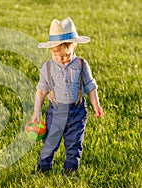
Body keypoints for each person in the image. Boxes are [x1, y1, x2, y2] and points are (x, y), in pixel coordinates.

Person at [32, 17, 104, 175]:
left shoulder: (82, 65)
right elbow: (41, 91)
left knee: (74, 143)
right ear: (51, 50)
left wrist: (96, 105)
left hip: (77, 112)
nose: (61, 59)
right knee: (50, 141)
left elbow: (91, 86)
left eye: (65, 55)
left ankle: (70, 170)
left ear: (75, 46)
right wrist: (36, 112)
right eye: (56, 55)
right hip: (56, 110)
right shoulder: (48, 67)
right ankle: (43, 168)